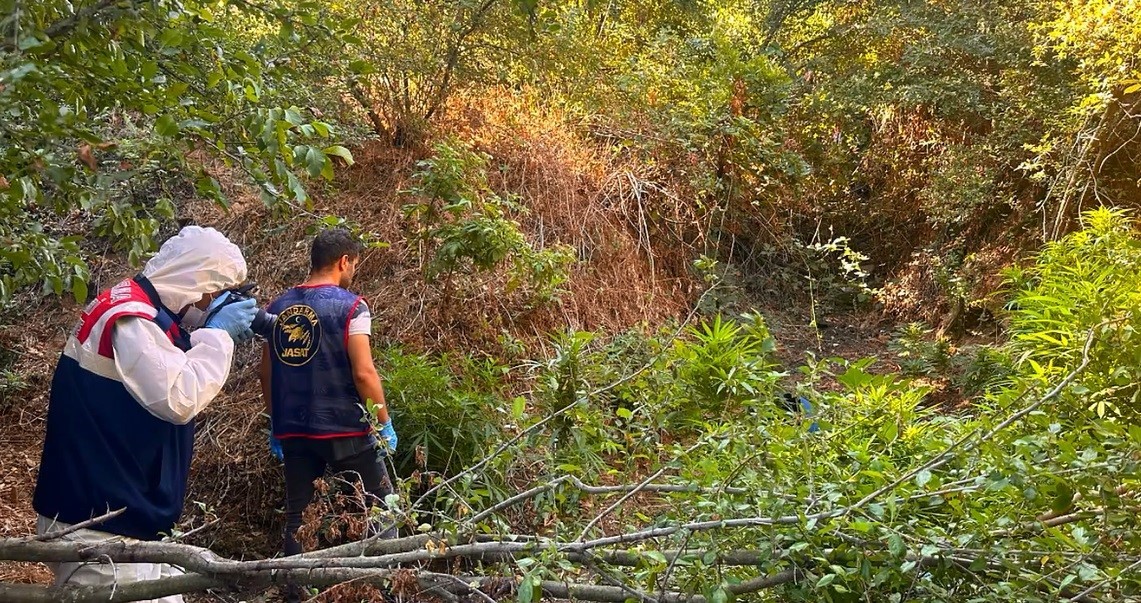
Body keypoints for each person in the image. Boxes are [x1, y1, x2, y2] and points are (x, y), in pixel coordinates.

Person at [32, 225, 259, 603]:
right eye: (211, 295)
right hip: (101, 523)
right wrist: (217, 335)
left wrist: (206, 328)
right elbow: (179, 396)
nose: (208, 304)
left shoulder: (137, 308)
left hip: (123, 515)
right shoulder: (132, 320)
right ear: (193, 282)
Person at [260, 228, 398, 569]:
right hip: (348, 428)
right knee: (383, 510)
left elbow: (265, 372)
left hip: (294, 431)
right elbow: (364, 373)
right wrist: (384, 424)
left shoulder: (276, 307)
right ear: (343, 261)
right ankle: (389, 587)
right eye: (354, 264)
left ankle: (296, 592)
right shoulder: (352, 307)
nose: (354, 272)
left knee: (299, 516)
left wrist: (276, 424)